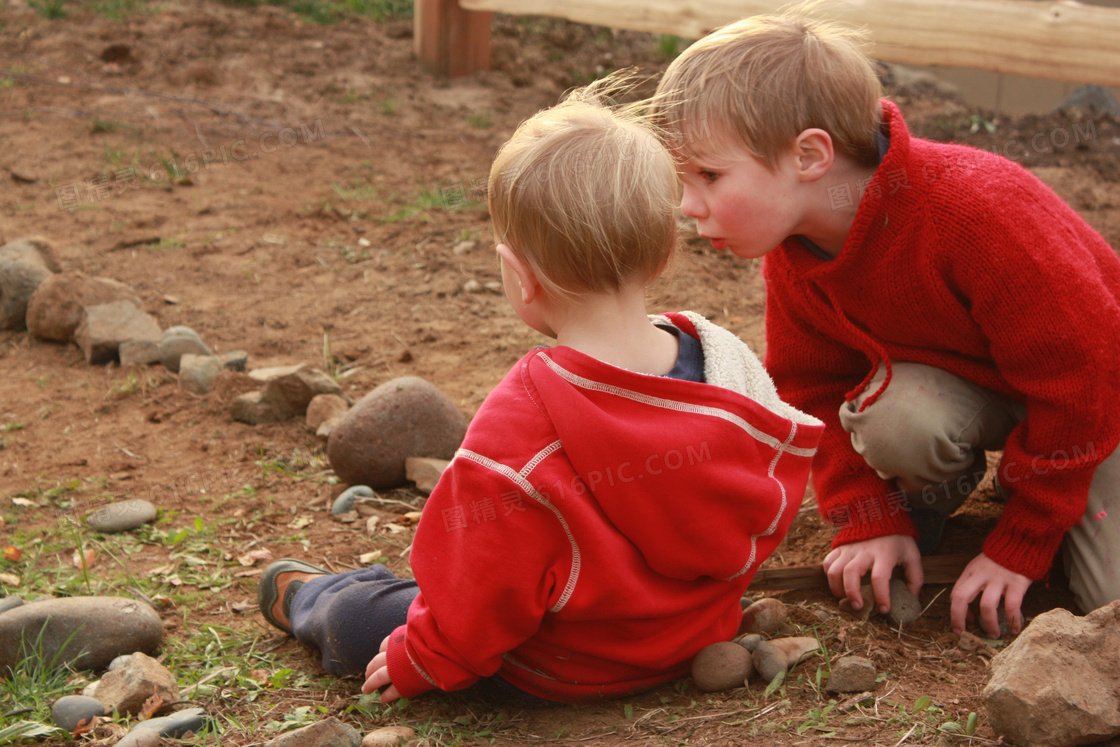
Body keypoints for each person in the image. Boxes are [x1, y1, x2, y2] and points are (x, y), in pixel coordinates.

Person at [257, 83, 824, 704]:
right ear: (664, 255)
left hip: (559, 665)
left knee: (365, 618)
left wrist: (429, 657)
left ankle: (306, 595)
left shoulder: (523, 424)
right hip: (689, 637)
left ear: (518, 276)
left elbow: (485, 581)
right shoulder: (727, 367)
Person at [650, 10, 1120, 641]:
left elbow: (1084, 380)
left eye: (708, 175)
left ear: (810, 155)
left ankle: (1045, 497)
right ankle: (922, 517)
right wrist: (870, 515)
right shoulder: (795, 252)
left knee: (1107, 597)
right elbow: (810, 388)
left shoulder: (978, 212)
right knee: (896, 420)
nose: (688, 205)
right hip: (1001, 392)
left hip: (1101, 402)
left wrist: (1023, 543)